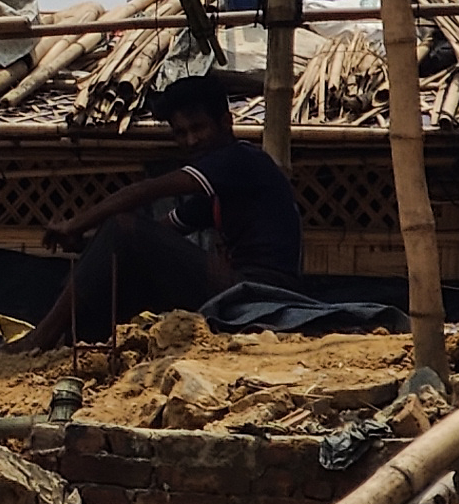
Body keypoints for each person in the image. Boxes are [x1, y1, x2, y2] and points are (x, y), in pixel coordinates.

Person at [17, 73, 303, 350]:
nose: (191, 141)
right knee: (123, 252)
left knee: (122, 226)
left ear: (226, 122)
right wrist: (90, 246)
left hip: (259, 290)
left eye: (198, 128)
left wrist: (75, 224)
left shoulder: (240, 160)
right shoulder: (219, 194)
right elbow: (159, 232)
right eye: (180, 133)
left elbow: (146, 191)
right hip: (237, 285)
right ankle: (76, 341)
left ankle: (41, 337)